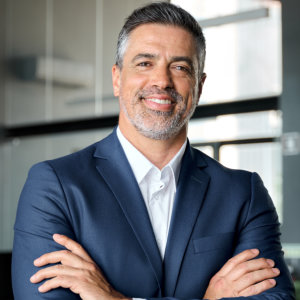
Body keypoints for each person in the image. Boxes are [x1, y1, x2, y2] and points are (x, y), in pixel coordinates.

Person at [12, 2, 295, 300]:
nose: (162, 81)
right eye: (145, 63)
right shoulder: (54, 186)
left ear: (199, 87)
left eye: (180, 67)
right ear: (117, 78)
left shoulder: (243, 193)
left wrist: (112, 298)